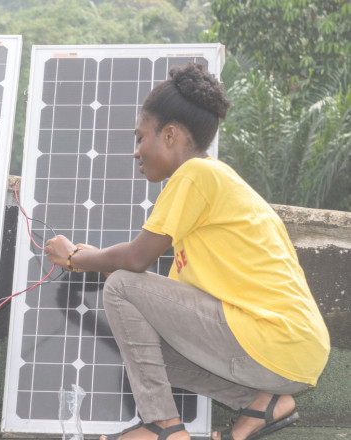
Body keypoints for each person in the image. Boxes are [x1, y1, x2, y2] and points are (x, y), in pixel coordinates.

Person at [44, 62, 329, 440]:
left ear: (170, 135)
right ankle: (261, 404)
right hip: (289, 352)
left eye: (140, 137)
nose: (136, 152)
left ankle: (162, 428)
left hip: (273, 339)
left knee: (122, 285)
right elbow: (155, 306)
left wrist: (74, 256)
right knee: (146, 345)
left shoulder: (196, 174)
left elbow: (135, 261)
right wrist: (108, 267)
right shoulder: (215, 188)